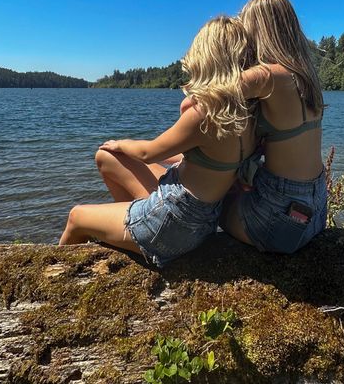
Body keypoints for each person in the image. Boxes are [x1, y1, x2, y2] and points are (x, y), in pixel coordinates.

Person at [59, 16, 258, 267]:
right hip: (202, 222)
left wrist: (121, 143)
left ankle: (52, 284)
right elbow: (196, 156)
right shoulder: (249, 116)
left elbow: (147, 153)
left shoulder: (202, 113)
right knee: (107, 157)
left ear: (207, 58)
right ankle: (122, 228)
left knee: (76, 216)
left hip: (170, 224)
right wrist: (120, 151)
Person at [219, 0, 327, 254]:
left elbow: (208, 96)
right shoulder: (305, 77)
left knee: (207, 201)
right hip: (315, 212)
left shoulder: (266, 75)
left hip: (276, 219)